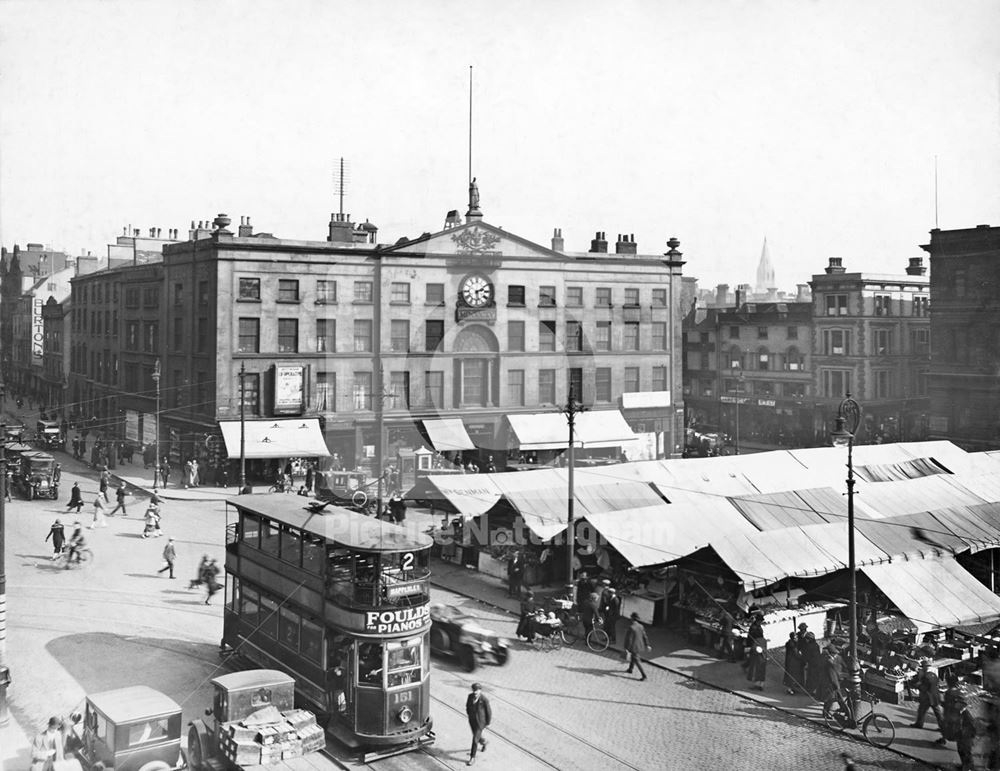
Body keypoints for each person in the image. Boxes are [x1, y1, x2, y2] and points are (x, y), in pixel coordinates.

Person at [909, 658, 947, 743]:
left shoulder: (925, 674)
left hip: (927, 696)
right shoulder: (934, 672)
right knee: (938, 712)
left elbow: (923, 686)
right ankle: (943, 727)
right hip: (935, 695)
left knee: (922, 710)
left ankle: (919, 724)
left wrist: (917, 685)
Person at [821, 646, 853, 726]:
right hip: (831, 683)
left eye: (836, 654)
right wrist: (836, 685)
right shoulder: (828, 661)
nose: (835, 655)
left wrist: (845, 674)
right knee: (831, 699)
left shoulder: (838, 658)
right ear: (831, 653)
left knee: (835, 699)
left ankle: (844, 712)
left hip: (838, 681)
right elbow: (831, 675)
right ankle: (826, 714)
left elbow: (844, 666)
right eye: (834, 654)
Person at [465, 682, 491, 766]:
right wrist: (469, 714)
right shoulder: (470, 696)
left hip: (480, 722)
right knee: (477, 737)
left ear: (480, 690)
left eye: (477, 690)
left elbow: (488, 712)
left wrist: (487, 722)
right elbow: (467, 706)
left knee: (475, 739)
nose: (475, 692)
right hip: (472, 721)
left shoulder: (484, 700)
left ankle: (472, 758)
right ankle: (484, 742)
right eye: (474, 690)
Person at [623, 612, 651, 680]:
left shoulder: (631, 627)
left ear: (632, 619)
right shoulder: (641, 626)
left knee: (637, 660)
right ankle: (630, 669)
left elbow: (628, 639)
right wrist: (647, 645)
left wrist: (626, 648)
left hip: (633, 647)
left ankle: (644, 675)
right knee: (633, 658)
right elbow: (644, 636)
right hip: (639, 646)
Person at [745, 616, 767, 691]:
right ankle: (759, 684)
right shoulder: (754, 628)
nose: (761, 622)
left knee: (756, 668)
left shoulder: (757, 627)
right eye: (760, 621)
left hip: (757, 649)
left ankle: (758, 684)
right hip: (755, 647)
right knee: (756, 668)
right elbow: (750, 638)